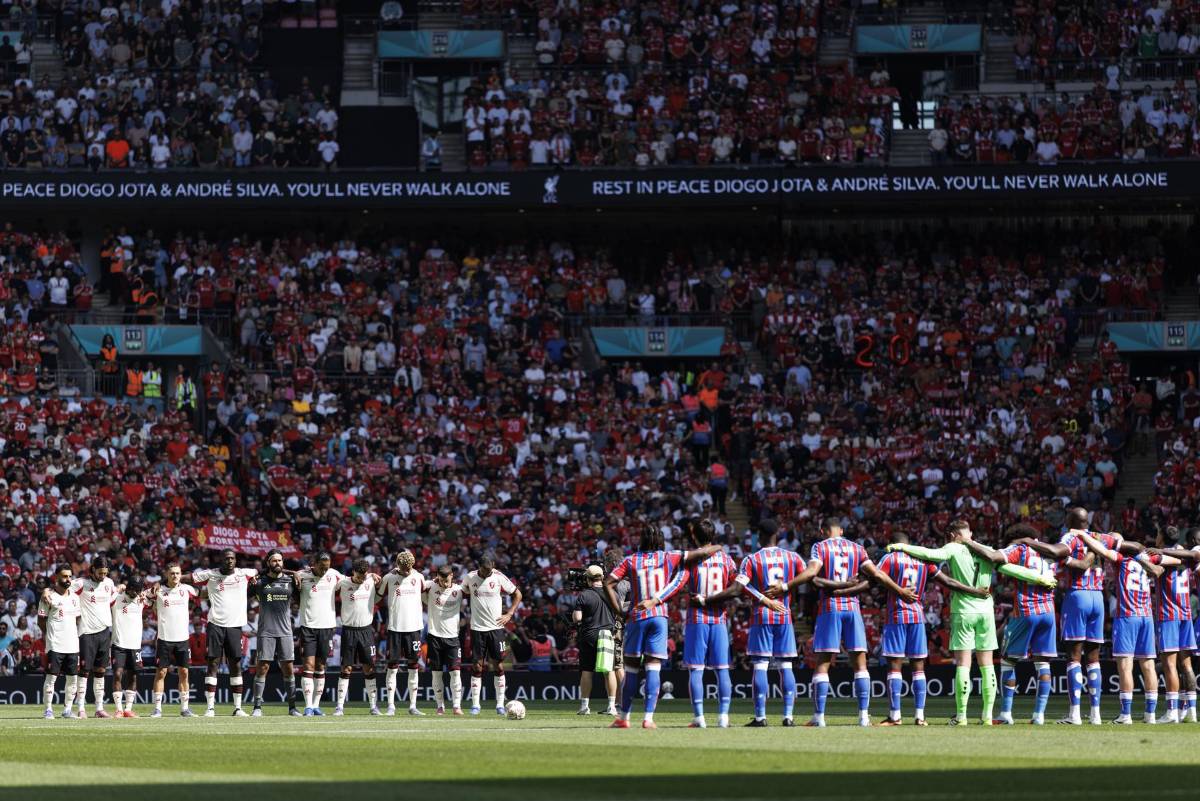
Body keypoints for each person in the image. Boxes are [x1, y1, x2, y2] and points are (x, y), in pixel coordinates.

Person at [887, 519, 1057, 725]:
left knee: (964, 665)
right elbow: (1008, 569)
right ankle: (987, 717)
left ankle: (961, 716)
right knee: (987, 666)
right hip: (986, 611)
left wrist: (902, 546)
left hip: (964, 611)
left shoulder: (953, 547)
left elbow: (930, 554)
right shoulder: (986, 550)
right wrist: (1039, 578)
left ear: (952, 535)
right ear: (970, 533)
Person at [790, 517, 917, 727]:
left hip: (829, 607)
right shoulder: (857, 548)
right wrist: (901, 590)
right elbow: (876, 575)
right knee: (860, 664)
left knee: (823, 662)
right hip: (853, 609)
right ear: (840, 530)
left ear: (823, 531)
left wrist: (791, 586)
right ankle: (864, 717)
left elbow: (812, 574)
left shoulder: (819, 547)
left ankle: (819, 717)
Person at [605, 523, 719, 729]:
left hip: (637, 616)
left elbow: (608, 583)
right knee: (653, 669)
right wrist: (718, 547)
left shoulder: (631, 560)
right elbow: (702, 552)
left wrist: (619, 611)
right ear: (660, 541)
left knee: (630, 670)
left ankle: (623, 718)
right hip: (659, 617)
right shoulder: (668, 556)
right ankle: (648, 719)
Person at [876, 532, 987, 726]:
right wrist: (974, 591)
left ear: (893, 544)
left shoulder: (891, 556)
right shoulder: (923, 559)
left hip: (897, 616)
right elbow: (949, 582)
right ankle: (920, 716)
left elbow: (876, 575)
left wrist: (898, 590)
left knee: (895, 666)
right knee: (918, 668)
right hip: (918, 617)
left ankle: (895, 716)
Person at [1072, 528, 1177, 724]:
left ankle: (1126, 715)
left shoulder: (1122, 560)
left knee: (1125, 667)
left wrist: (1083, 535)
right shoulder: (1148, 559)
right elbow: (1176, 561)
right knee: (1148, 666)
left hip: (1127, 616)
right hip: (1146, 617)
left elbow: (1102, 550)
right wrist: (1155, 554)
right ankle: (1151, 715)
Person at [700, 520, 796, 727]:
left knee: (761, 666)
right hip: (784, 614)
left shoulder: (753, 559)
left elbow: (739, 587)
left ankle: (760, 717)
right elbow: (809, 575)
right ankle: (788, 716)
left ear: (759, 536)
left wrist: (763, 598)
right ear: (777, 535)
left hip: (762, 615)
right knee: (786, 665)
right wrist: (787, 587)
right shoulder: (792, 557)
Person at [970, 525, 1064, 725]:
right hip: (1048, 612)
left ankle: (1005, 714)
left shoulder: (1021, 548)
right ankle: (1039, 716)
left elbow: (994, 556)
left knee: (1008, 661)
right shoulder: (1049, 551)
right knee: (1042, 663)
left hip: (1025, 611)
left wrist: (969, 542)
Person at [1057, 507, 1118, 725]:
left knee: (1073, 656)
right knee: (1093, 659)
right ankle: (1096, 714)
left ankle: (1074, 714)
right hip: (1098, 598)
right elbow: (1118, 542)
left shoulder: (1069, 537)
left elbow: (1065, 559)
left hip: (1078, 595)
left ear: (1070, 520)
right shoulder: (1099, 537)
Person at [678, 518, 737, 728]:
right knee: (722, 670)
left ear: (694, 536)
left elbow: (679, 584)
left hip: (696, 619)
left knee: (696, 670)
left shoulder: (691, 560)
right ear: (713, 536)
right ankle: (723, 717)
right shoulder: (726, 560)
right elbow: (735, 587)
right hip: (719, 619)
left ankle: (699, 718)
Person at [193, 548, 257, 716]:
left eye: (232, 558)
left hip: (235, 627)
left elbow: (262, 570)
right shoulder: (210, 574)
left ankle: (237, 708)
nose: (230, 560)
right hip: (215, 625)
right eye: (227, 558)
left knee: (235, 664)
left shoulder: (244, 573)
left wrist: (292, 573)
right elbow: (185, 577)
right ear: (221, 559)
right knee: (213, 663)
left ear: (236, 560)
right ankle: (210, 708)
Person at [1151, 526, 1200, 722]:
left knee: (1170, 665)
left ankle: (1172, 711)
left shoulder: (1160, 556)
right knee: (1186, 665)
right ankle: (1190, 710)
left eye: (1157, 534)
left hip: (1169, 615)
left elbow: (1152, 564)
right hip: (1186, 614)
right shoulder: (1188, 558)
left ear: (1162, 539)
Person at [464, 554, 523, 716]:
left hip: (495, 629)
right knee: (477, 666)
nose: (488, 572)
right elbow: (461, 593)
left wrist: (509, 614)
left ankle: (499, 704)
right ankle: (475, 705)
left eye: (490, 569)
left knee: (498, 665)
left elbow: (518, 594)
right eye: (485, 570)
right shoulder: (469, 578)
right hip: (477, 628)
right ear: (479, 568)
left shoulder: (498, 576)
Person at [377, 549, 428, 715]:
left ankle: (413, 706)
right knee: (392, 667)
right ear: (397, 565)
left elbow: (428, 595)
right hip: (395, 629)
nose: (407, 571)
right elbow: (377, 597)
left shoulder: (419, 577)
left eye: (409, 568)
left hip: (414, 629)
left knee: (413, 667)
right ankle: (391, 706)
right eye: (404, 568)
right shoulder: (389, 577)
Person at [249, 549, 299, 717]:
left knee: (288, 669)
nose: (277, 563)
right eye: (274, 561)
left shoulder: (290, 580)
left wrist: (295, 573)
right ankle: (257, 707)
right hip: (266, 631)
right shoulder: (259, 582)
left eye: (280, 560)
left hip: (285, 631)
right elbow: (244, 595)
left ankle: (292, 707)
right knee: (262, 668)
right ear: (268, 563)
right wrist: (254, 577)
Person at [70, 555, 120, 718]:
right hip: (86, 633)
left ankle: (99, 708)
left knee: (100, 671)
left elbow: (112, 601)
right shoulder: (81, 584)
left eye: (105, 573)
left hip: (104, 632)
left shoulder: (109, 584)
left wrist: (122, 587)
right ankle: (81, 708)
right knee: (84, 671)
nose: (103, 576)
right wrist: (47, 591)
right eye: (100, 573)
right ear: (92, 569)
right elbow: (62, 588)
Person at [294, 551, 343, 716]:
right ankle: (308, 706)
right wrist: (292, 573)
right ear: (314, 563)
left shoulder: (334, 575)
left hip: (327, 628)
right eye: (322, 567)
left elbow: (353, 580)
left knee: (321, 666)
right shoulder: (302, 575)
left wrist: (370, 575)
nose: (324, 570)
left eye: (327, 567)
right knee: (308, 666)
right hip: (307, 627)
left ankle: (315, 705)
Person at [334, 559, 382, 716]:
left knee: (369, 667)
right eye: (359, 576)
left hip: (366, 631)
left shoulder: (371, 580)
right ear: (353, 572)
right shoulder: (342, 583)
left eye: (364, 576)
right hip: (348, 631)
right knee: (346, 668)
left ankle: (373, 706)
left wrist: (373, 575)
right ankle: (339, 706)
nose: (362, 579)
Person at [570, 564, 618, 718]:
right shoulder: (613, 594)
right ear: (602, 578)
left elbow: (578, 618)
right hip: (607, 635)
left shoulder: (584, 595)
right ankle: (611, 706)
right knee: (608, 671)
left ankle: (585, 706)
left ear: (588, 579)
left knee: (587, 671)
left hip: (589, 635)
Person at [151, 563, 198, 717]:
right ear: (166, 574)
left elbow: (202, 592)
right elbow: (141, 596)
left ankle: (185, 709)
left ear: (181, 574)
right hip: (164, 639)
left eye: (177, 573)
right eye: (172, 573)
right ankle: (157, 709)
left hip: (182, 639)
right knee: (161, 672)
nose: (175, 576)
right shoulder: (158, 591)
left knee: (184, 672)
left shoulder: (187, 590)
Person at [37, 564, 82, 719]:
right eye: (64, 576)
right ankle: (48, 709)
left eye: (69, 576)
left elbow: (77, 620)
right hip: (55, 643)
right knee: (51, 677)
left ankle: (67, 710)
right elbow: (41, 620)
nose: (67, 579)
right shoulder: (48, 597)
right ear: (56, 577)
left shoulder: (75, 598)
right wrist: (50, 634)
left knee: (72, 679)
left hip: (72, 645)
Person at [424, 564, 465, 715]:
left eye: (446, 580)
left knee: (455, 673)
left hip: (453, 638)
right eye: (441, 581)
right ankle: (440, 706)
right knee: (437, 673)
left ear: (452, 576)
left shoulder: (459, 590)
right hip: (434, 636)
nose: (444, 584)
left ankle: (456, 706)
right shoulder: (430, 586)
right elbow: (415, 582)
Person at [111, 576, 148, 718]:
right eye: (134, 590)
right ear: (129, 587)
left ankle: (128, 709)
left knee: (133, 676)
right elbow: (106, 594)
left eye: (139, 590)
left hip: (135, 645)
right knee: (118, 674)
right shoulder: (117, 599)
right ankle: (119, 709)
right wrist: (117, 588)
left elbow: (155, 592)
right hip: (118, 644)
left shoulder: (141, 599)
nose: (136, 593)